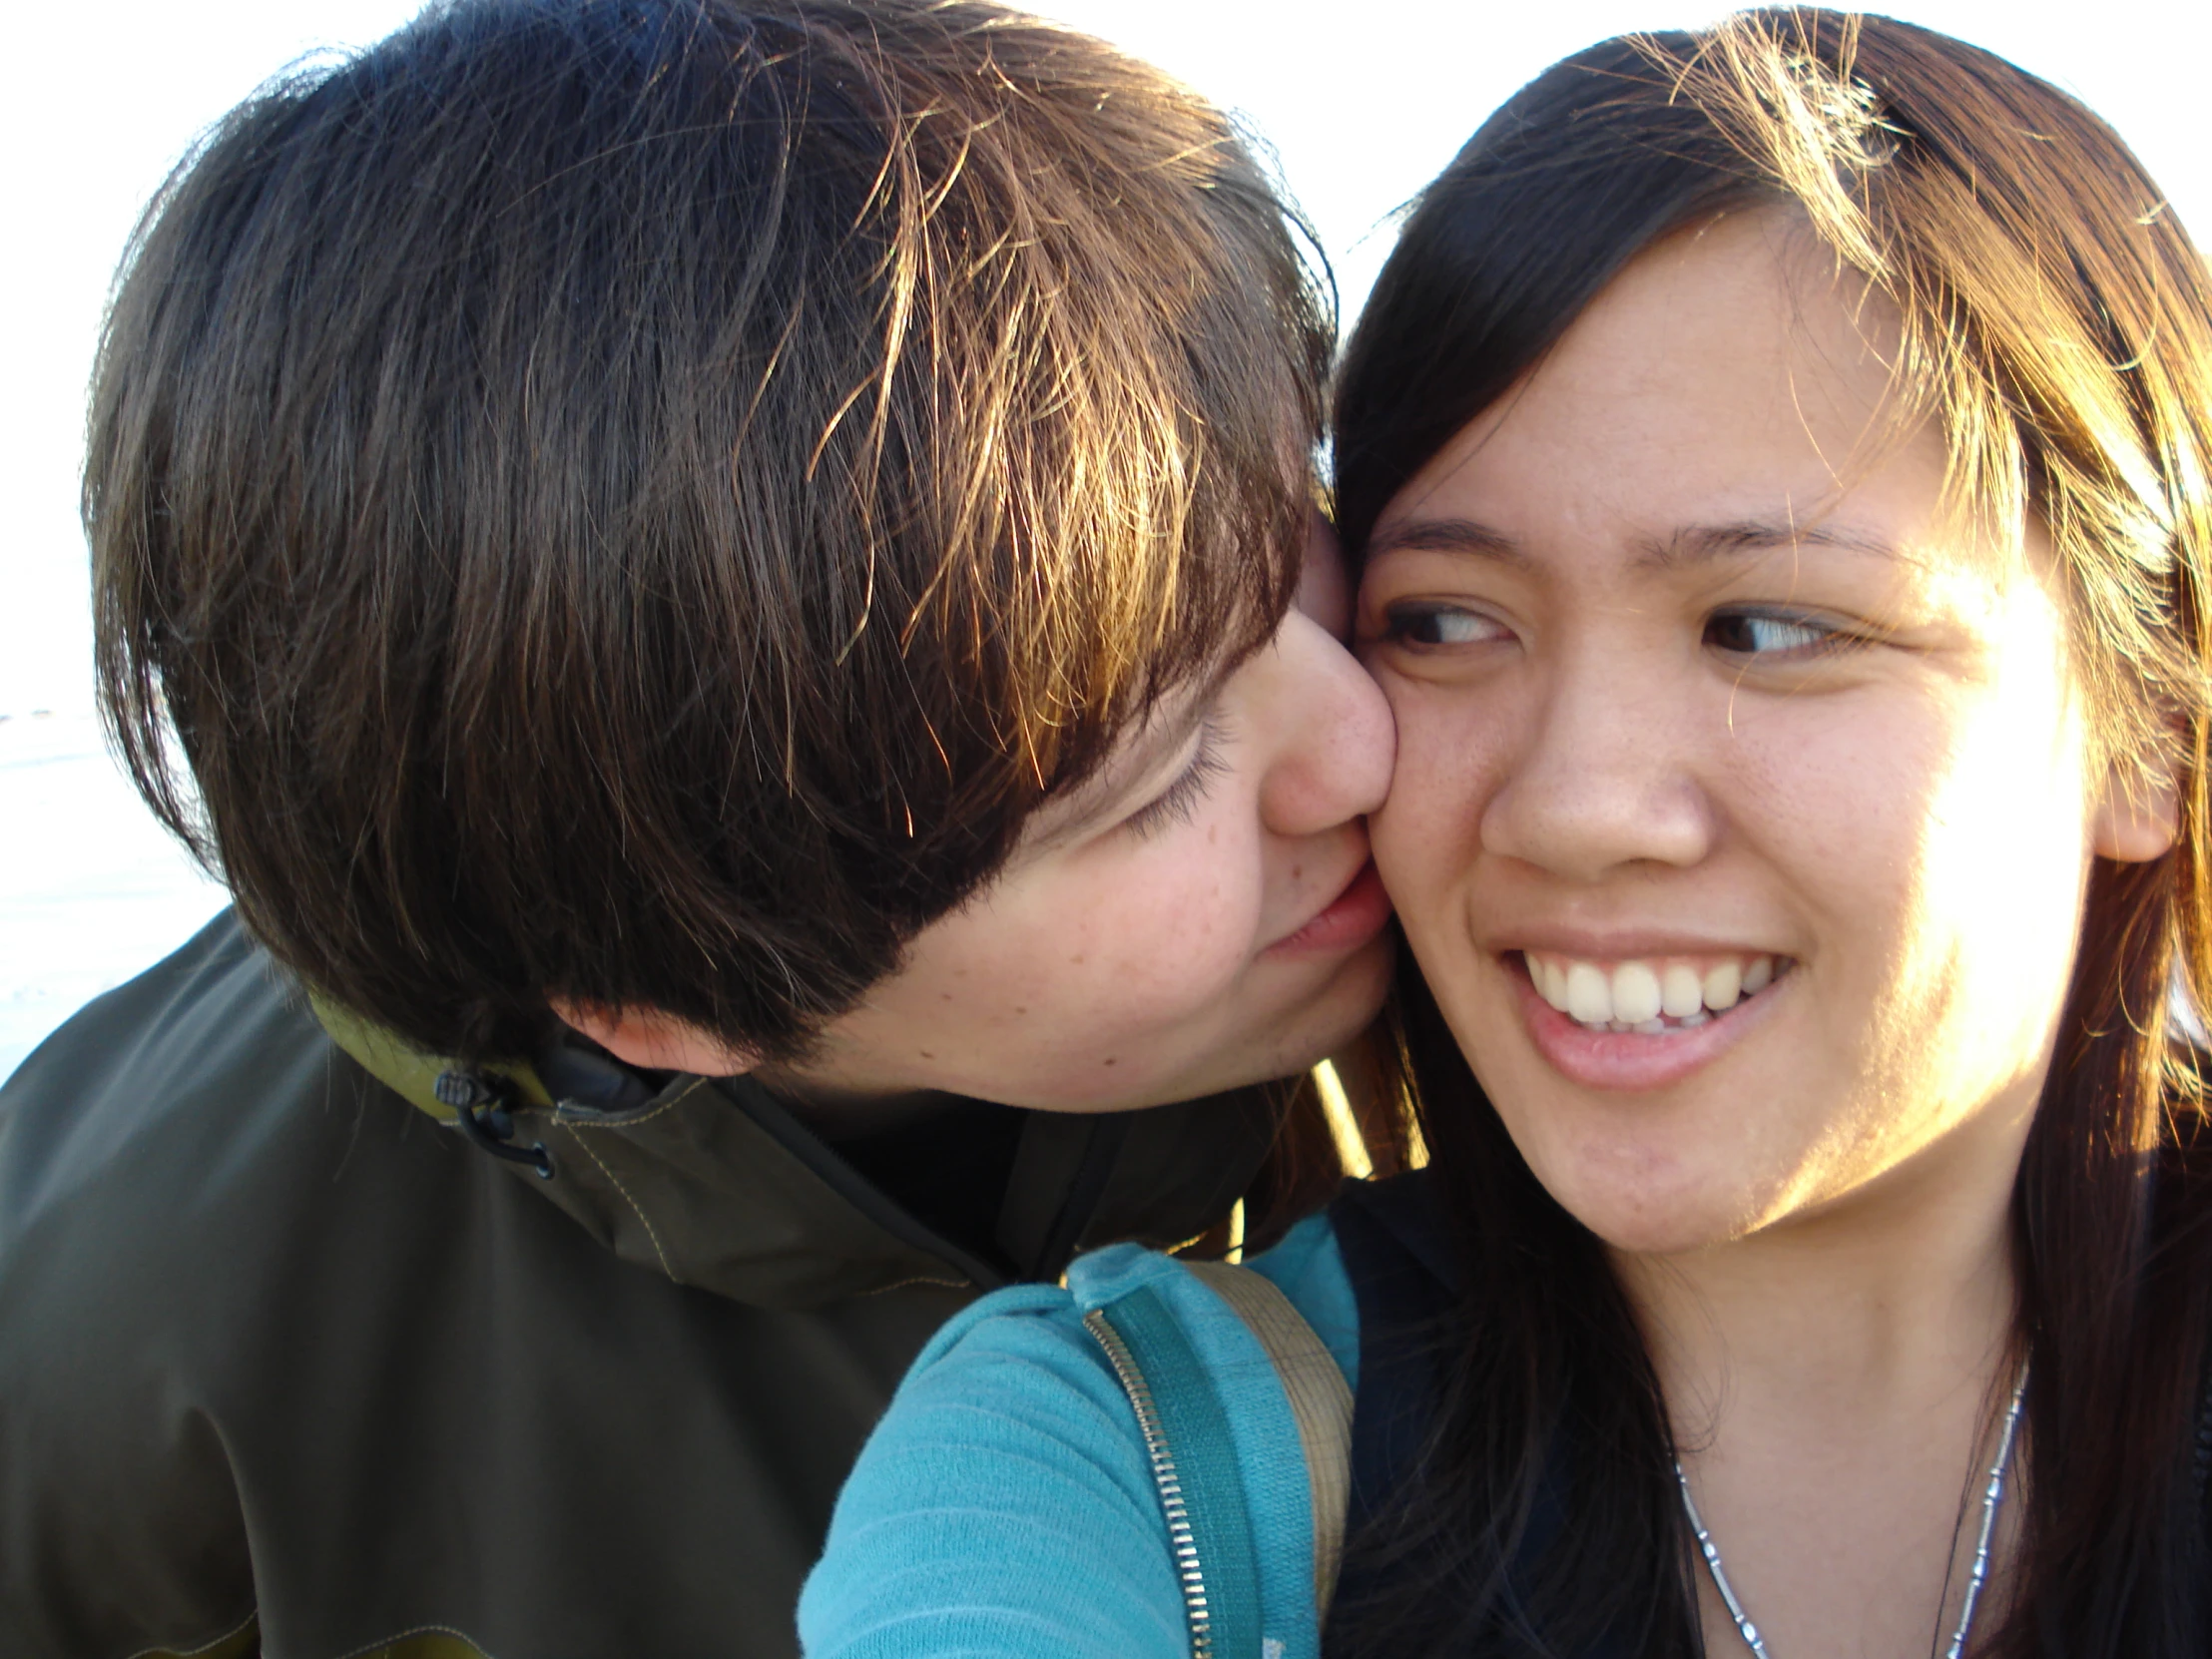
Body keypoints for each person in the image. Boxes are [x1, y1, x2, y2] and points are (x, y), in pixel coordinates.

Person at [800, 10, 2212, 1657]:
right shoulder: (1121, 1464)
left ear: (2155, 722)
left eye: (1764, 628)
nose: (1576, 805)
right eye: (1449, 620)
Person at [0, 1, 1402, 1654]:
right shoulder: (109, 1328)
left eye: (1281, 521)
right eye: (1156, 776)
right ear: (674, 1004)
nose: (1371, 738)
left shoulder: (1553, 910)